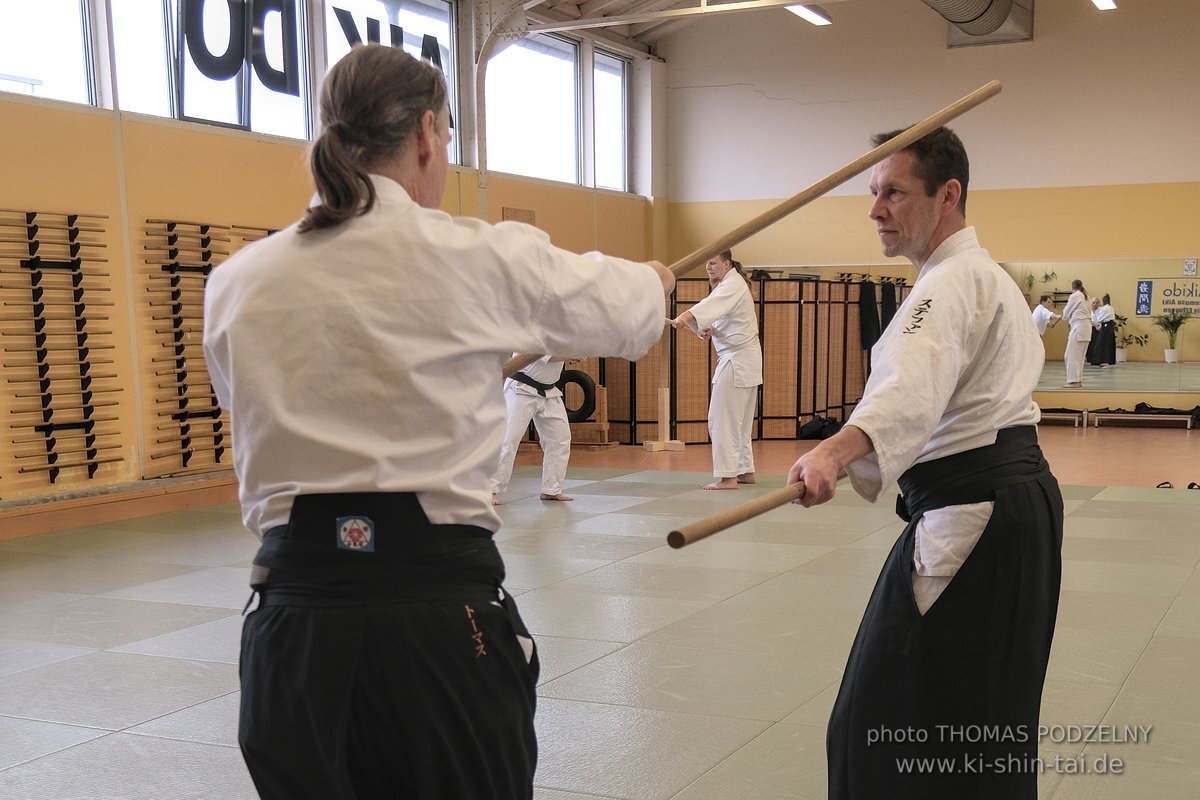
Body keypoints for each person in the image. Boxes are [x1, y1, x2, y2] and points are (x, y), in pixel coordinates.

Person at [202, 45, 674, 800]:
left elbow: (253, 405)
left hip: (291, 631)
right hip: (433, 626)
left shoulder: (235, 282)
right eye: (447, 138)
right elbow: (627, 314)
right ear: (427, 132)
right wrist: (656, 281)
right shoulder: (474, 255)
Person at [787, 127, 1063, 800]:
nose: (876, 209)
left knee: (880, 721)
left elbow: (910, 387)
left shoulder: (950, 284)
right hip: (1011, 507)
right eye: (874, 193)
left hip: (973, 512)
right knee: (979, 718)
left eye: (894, 192)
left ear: (948, 195)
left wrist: (835, 448)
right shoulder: (982, 276)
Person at [670, 250, 763, 489]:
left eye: (713, 263)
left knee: (721, 418)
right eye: (706, 264)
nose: (709, 268)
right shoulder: (733, 284)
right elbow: (729, 319)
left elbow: (710, 305)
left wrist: (685, 316)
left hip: (738, 360)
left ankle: (728, 477)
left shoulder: (732, 283)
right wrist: (711, 329)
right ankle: (744, 470)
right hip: (745, 358)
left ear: (726, 263)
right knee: (739, 421)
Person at [491, 354, 575, 504]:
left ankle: (551, 489)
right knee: (508, 439)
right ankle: (490, 490)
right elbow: (547, 355)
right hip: (521, 388)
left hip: (549, 391)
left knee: (560, 440)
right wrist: (573, 354)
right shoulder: (535, 330)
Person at [1062, 278, 1092, 387]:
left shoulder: (1075, 296)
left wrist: (1065, 315)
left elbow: (1065, 314)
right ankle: (1077, 380)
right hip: (1086, 328)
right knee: (1079, 357)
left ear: (1072, 287)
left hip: (1079, 327)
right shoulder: (1086, 297)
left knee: (1070, 355)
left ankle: (1073, 381)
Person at [1087, 293, 1117, 367]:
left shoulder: (1105, 308)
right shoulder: (1110, 308)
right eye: (1093, 302)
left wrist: (1098, 325)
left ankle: (1104, 361)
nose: (1095, 304)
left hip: (1105, 326)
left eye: (1097, 302)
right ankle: (1098, 361)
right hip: (1100, 327)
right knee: (1103, 344)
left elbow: (1100, 319)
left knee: (1104, 344)